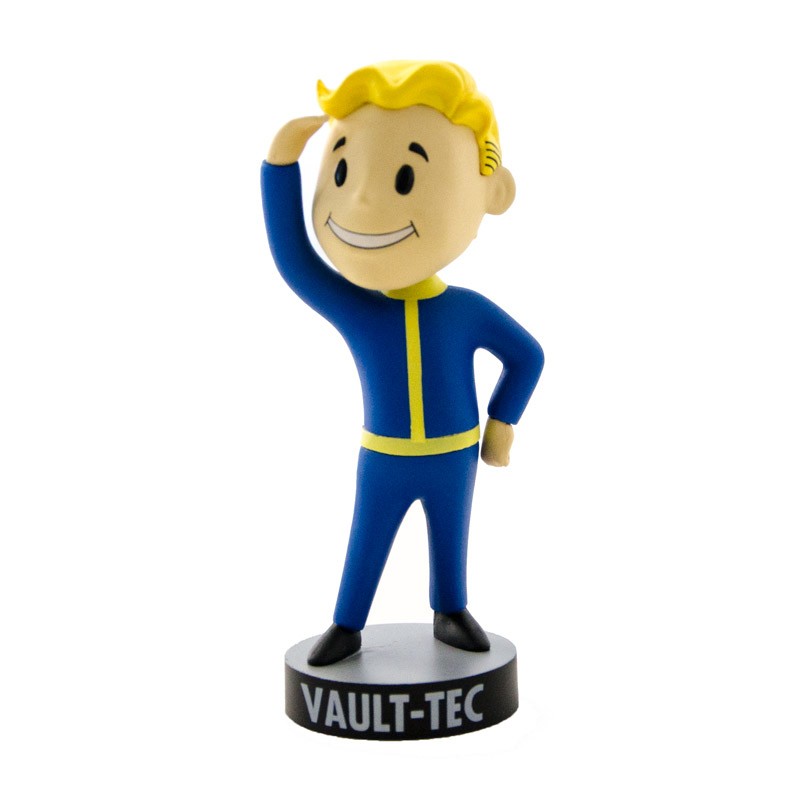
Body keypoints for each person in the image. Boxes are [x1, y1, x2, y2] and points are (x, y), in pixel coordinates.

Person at [261, 61, 544, 666]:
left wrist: (503, 421)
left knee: (451, 536)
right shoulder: (358, 310)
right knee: (367, 538)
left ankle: (451, 609)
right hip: (384, 456)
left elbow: (527, 356)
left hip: (455, 453)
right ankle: (346, 623)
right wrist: (279, 166)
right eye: (342, 171)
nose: (364, 199)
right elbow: (295, 260)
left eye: (407, 176)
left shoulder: (466, 311)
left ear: (494, 193)